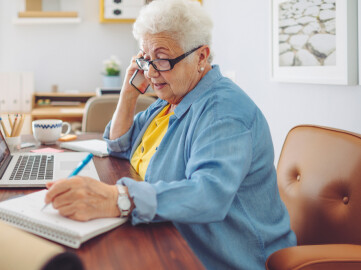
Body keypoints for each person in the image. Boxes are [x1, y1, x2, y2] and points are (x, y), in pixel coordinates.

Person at [45, 0, 297, 268]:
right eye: (145, 59)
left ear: (201, 57)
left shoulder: (222, 112)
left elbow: (209, 194)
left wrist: (117, 199)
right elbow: (118, 145)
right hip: (171, 237)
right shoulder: (170, 101)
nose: (151, 72)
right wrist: (128, 93)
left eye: (162, 60)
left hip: (223, 257)